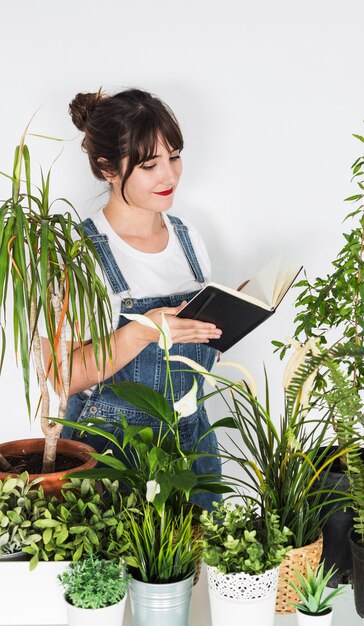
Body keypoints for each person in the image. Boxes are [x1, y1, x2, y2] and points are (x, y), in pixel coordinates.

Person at [41, 88, 223, 509]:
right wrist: (143, 333)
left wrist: (225, 315)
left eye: (174, 156)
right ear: (107, 167)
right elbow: (61, 376)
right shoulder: (79, 251)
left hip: (190, 437)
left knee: (196, 567)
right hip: (112, 446)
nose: (170, 176)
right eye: (149, 165)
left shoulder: (187, 237)